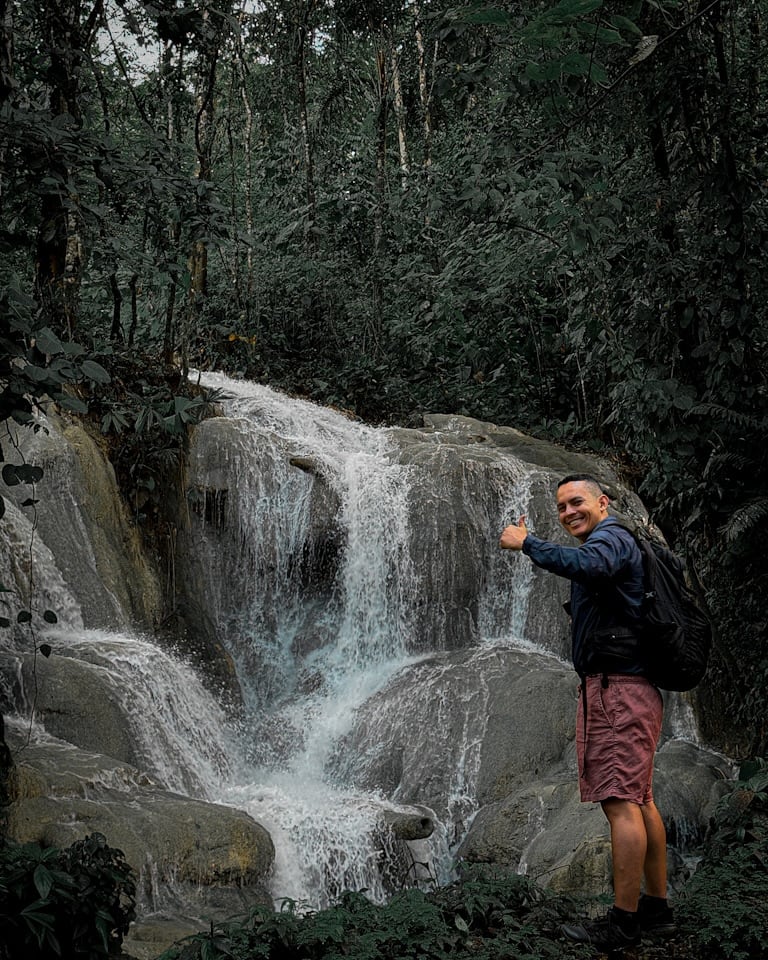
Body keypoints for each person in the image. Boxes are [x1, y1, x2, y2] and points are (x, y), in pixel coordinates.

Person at [499, 474, 676, 951]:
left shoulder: (612, 537)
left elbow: (592, 564)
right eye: (560, 507)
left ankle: (622, 924)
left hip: (617, 690)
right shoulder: (612, 541)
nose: (567, 512)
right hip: (627, 687)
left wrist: (528, 543)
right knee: (639, 799)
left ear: (602, 502)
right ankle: (656, 912)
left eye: (575, 502)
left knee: (621, 803)